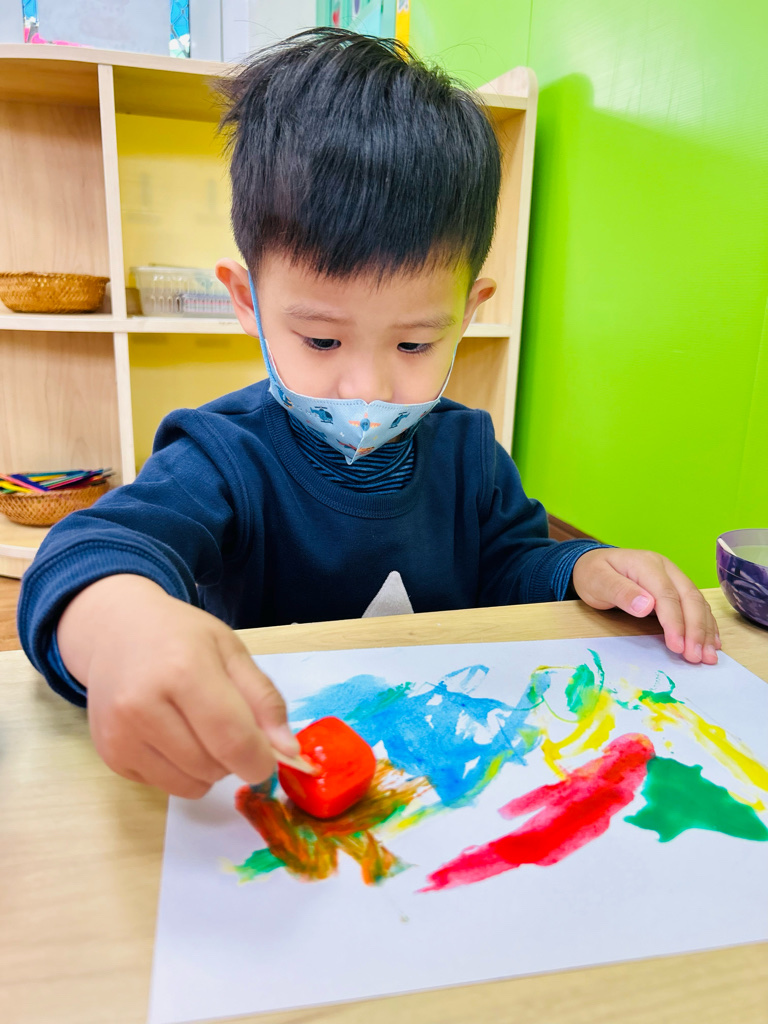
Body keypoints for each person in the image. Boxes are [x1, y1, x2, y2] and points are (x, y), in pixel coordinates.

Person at [18, 29, 719, 801]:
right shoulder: (218, 456)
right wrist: (122, 631)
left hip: (434, 778)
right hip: (271, 781)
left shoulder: (469, 452)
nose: (369, 387)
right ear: (248, 301)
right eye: (321, 339)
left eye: (415, 343)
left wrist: (580, 568)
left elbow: (511, 567)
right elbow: (92, 551)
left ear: (468, 312)